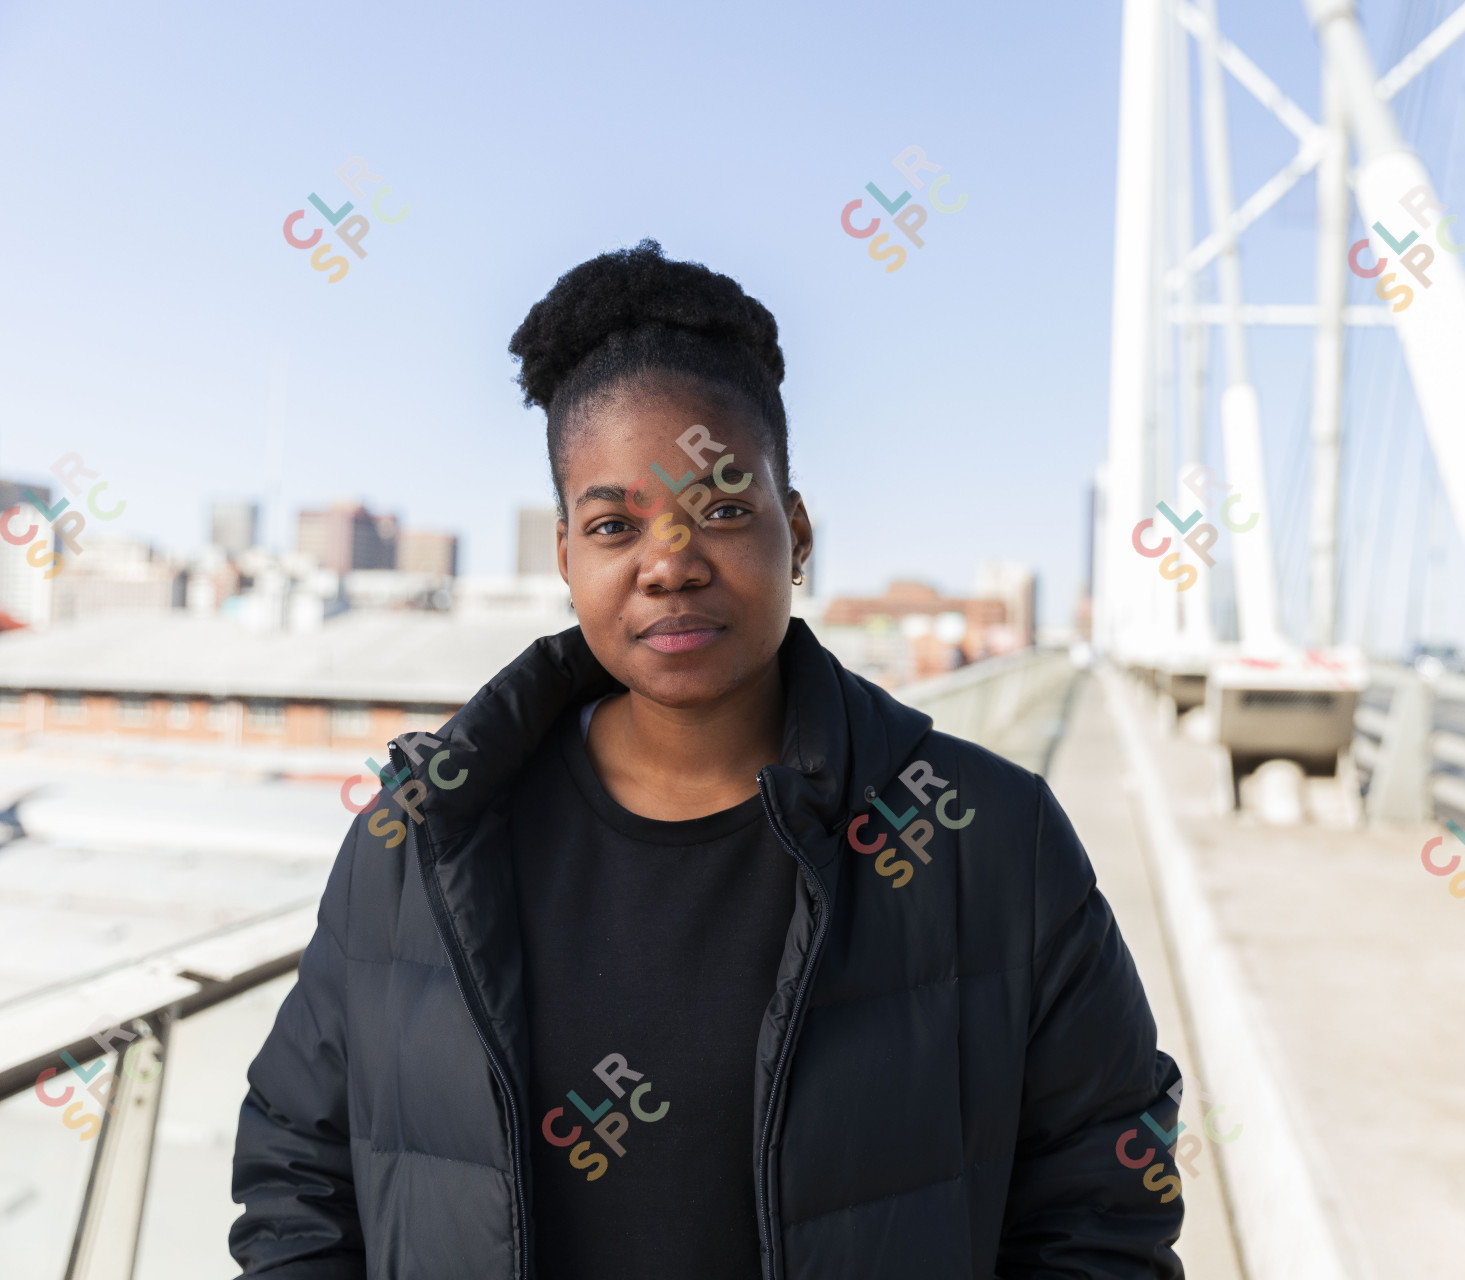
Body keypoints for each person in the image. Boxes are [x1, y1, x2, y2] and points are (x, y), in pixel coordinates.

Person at [229, 241, 1186, 1278]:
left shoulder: (986, 836)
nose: (671, 561)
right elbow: (298, 1173)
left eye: (725, 506)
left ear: (799, 530)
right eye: (613, 523)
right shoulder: (422, 838)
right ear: (565, 557)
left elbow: (1106, 1205)